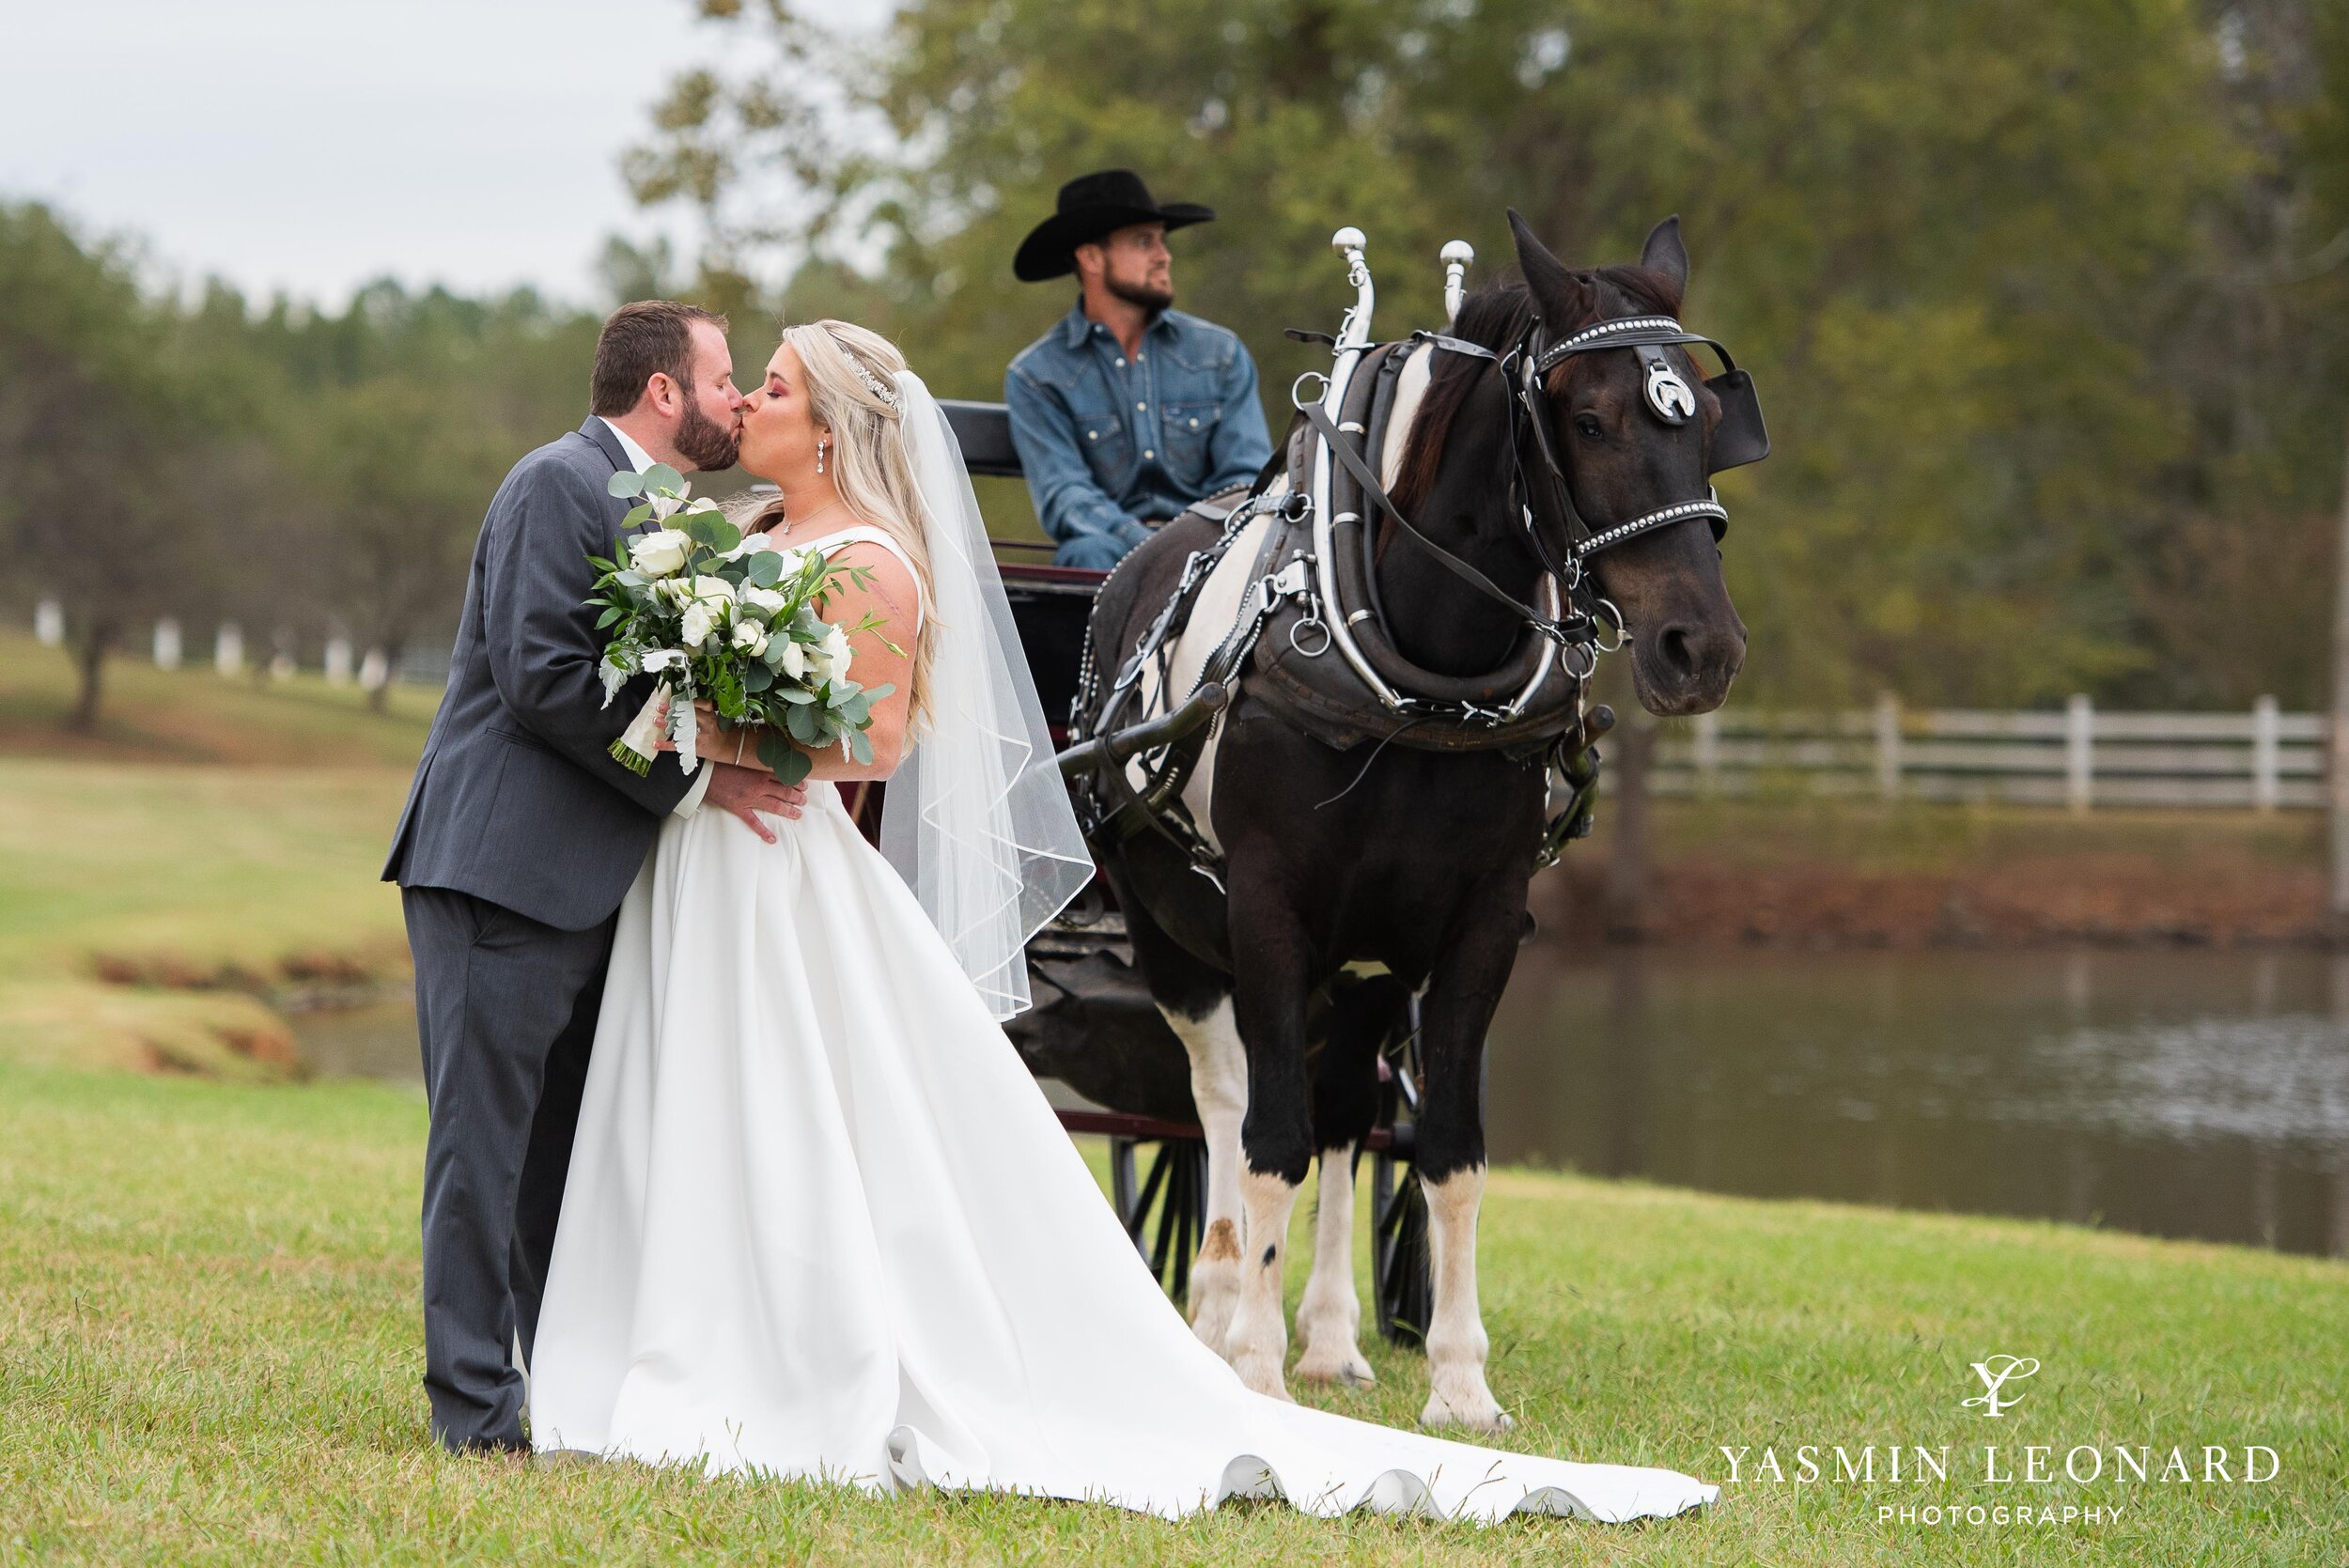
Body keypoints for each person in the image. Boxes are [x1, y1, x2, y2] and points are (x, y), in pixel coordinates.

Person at [524, 318, 1717, 1526]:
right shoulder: (764, 522)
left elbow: (871, 740)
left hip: (786, 844)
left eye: (766, 388)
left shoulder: (889, 550)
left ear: (827, 425)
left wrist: (699, 741)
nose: (744, 406)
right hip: (712, 858)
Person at [381, 300, 810, 1455]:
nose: (736, 399)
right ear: (663, 392)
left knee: (563, 1167)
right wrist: (695, 781)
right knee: (484, 1153)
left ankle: (559, 1396)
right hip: (500, 872)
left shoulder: (667, 509)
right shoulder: (553, 484)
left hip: (591, 885)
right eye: (724, 378)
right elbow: (542, 678)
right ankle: (475, 1417)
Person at [1004, 170, 1273, 569]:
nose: (1164, 255)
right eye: (1144, 241)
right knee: (1086, 552)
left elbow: (1245, 478)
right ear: (1091, 257)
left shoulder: (1220, 354)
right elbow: (1066, 494)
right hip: (1113, 557)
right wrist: (1147, 546)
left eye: (1162, 240)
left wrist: (1192, 541)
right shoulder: (1036, 375)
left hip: (1212, 551)